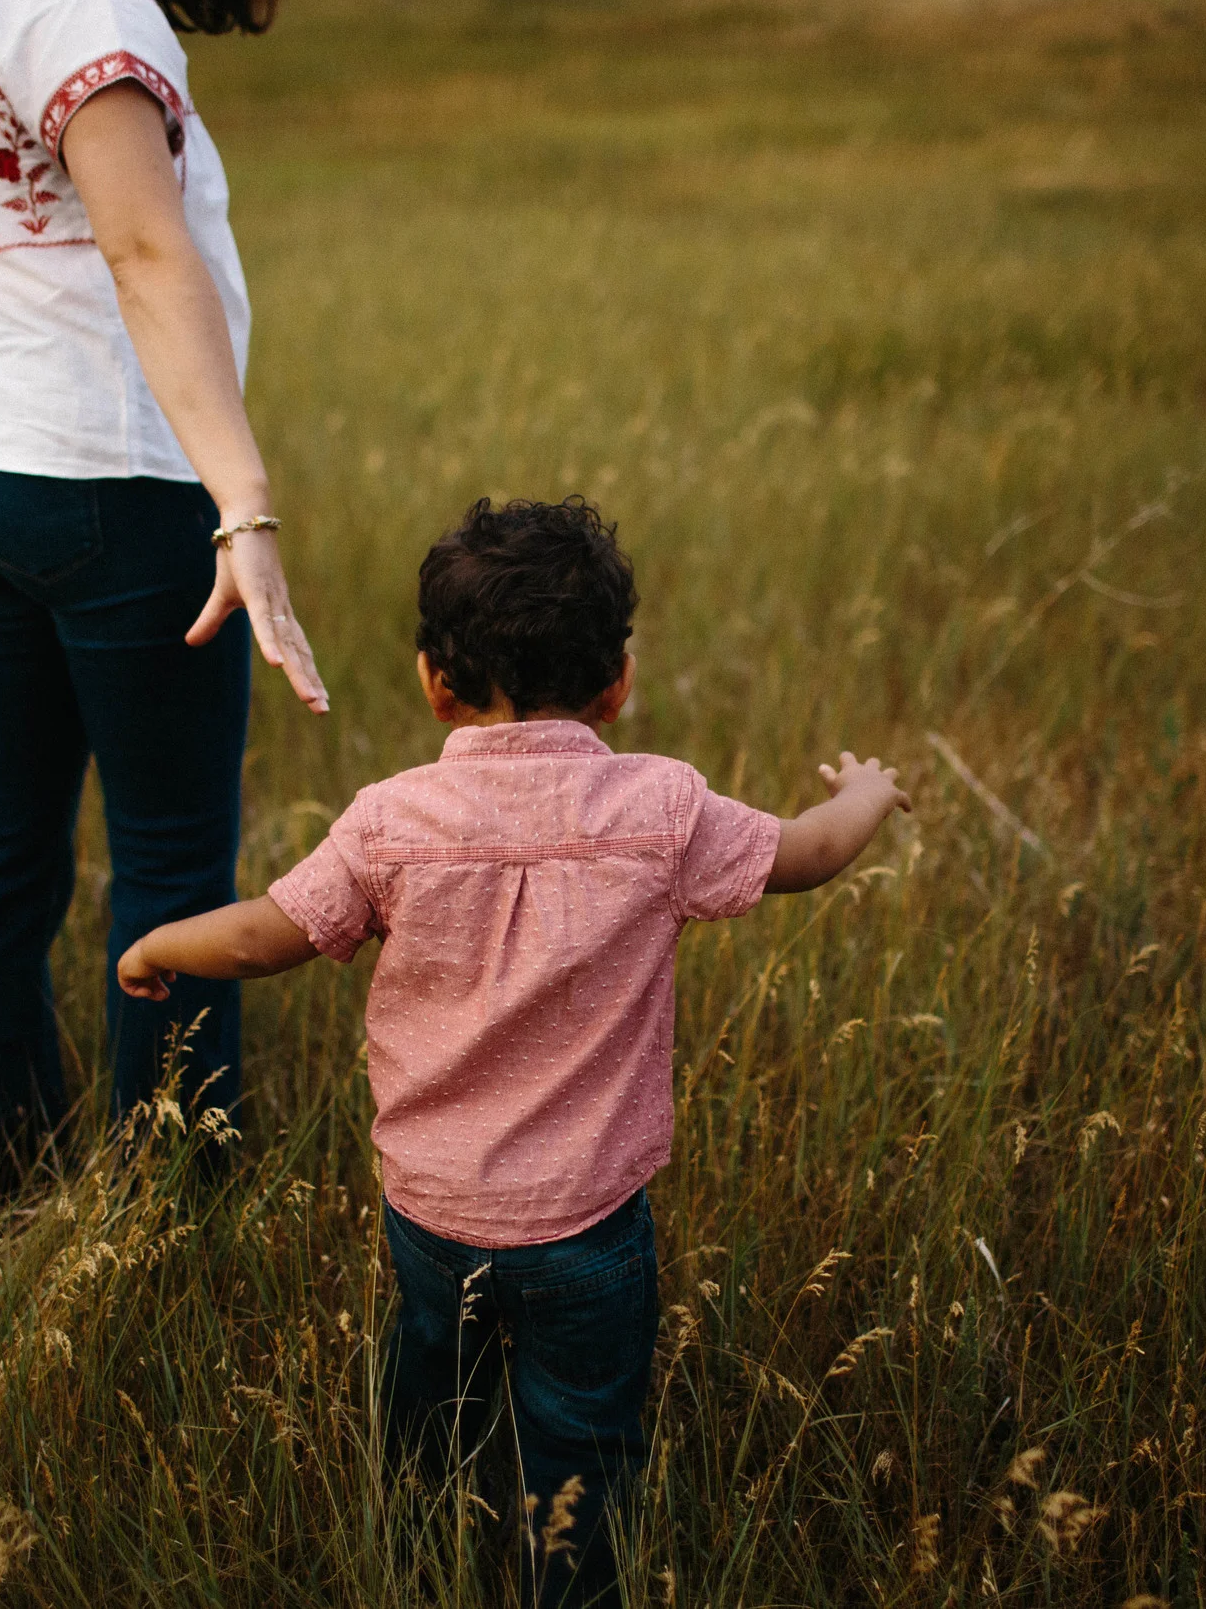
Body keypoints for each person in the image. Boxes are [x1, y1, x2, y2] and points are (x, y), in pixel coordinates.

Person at [117, 497, 912, 1608]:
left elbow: (268, 934)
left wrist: (158, 941)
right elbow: (809, 852)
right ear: (616, 682)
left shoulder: (392, 821)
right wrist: (866, 793)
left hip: (433, 1212)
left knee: (433, 1402)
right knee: (584, 1443)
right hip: (591, 1224)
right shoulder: (661, 807)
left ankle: (415, 1554)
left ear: (433, 683)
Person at [0, 0, 327, 1237]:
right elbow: (143, 249)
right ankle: (171, 1215)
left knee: (1, 837)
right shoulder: (85, 1)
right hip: (99, 473)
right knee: (174, 862)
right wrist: (243, 502)